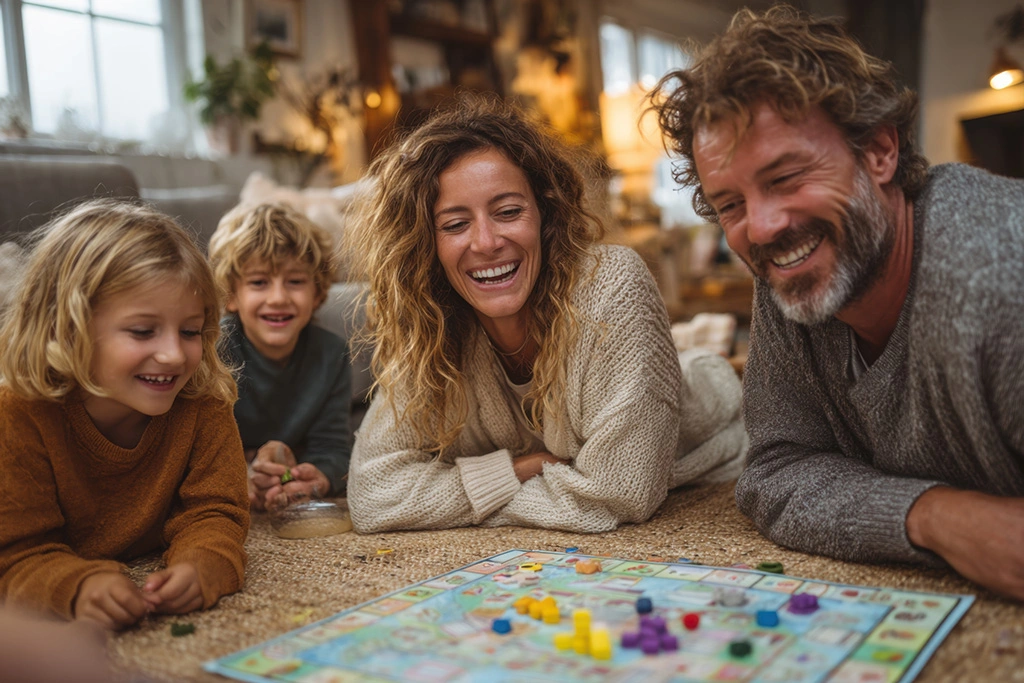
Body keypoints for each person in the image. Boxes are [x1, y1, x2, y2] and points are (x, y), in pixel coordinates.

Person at [652, 6, 1024, 599]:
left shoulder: (1001, 270)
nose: (764, 227)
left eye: (786, 177)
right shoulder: (795, 273)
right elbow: (775, 473)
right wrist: (934, 516)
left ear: (880, 150)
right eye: (731, 204)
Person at [344, 96, 747, 534]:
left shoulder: (612, 283)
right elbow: (370, 496)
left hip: (717, 451)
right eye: (455, 224)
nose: (485, 242)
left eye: (509, 212)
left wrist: (462, 502)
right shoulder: (433, 324)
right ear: (428, 245)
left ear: (545, 214)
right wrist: (516, 470)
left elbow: (620, 492)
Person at [0, 200, 250, 629]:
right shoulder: (18, 415)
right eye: (142, 331)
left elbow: (217, 511)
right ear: (69, 327)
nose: (173, 354)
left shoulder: (203, 402)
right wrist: (75, 586)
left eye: (190, 331)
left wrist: (204, 564)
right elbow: (15, 554)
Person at [209, 202, 352, 511]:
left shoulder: (332, 354)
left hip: (285, 471)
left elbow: (333, 448)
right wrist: (238, 474)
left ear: (317, 294)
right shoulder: (213, 351)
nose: (278, 298)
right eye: (259, 283)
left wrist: (317, 478)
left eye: (295, 282)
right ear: (232, 295)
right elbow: (197, 445)